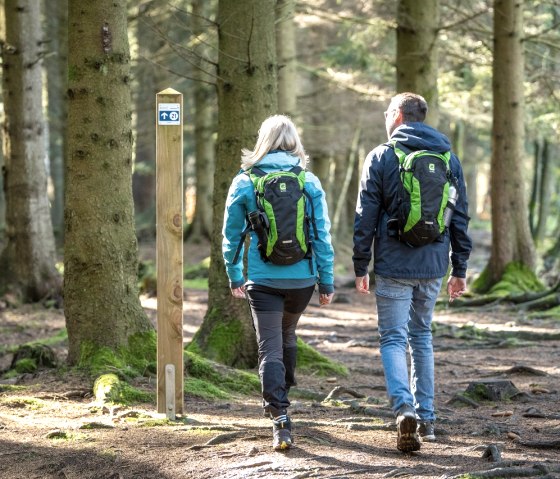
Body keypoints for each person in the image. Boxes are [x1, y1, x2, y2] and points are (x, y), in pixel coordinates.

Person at [353, 93, 472, 453]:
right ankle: (428, 420)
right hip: (434, 263)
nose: (385, 117)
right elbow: (460, 216)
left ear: (399, 116)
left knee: (392, 338)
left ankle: (403, 408)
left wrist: (361, 265)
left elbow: (365, 216)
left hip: (392, 264)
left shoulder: (381, 156)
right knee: (421, 337)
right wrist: (460, 268)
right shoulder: (448, 158)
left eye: (388, 112)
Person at [222, 114, 335, 451]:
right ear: (294, 143)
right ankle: (284, 389)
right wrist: (326, 283)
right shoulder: (309, 181)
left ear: (263, 142)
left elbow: (230, 237)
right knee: (287, 333)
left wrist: (234, 275)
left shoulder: (244, 181)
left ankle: (280, 417)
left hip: (263, 278)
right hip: (302, 279)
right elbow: (322, 237)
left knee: (269, 345)